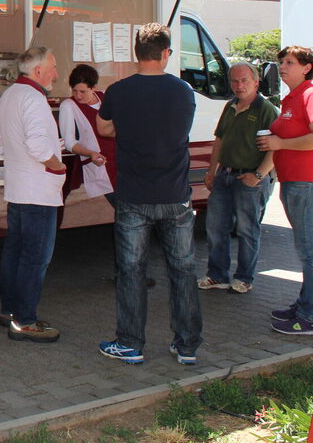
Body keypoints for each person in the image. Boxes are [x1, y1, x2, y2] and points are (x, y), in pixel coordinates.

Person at [96, 22, 202, 365]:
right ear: (166, 53)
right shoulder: (184, 91)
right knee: (183, 271)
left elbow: (104, 127)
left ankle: (129, 343)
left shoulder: (118, 90)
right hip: (175, 194)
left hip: (133, 195)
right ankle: (186, 346)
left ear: (136, 54)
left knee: (131, 271)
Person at [0, 46, 66, 343]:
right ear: (38, 72)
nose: (56, 74)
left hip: (18, 187)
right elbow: (37, 146)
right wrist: (57, 166)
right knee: (35, 258)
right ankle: (25, 320)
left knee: (15, 253)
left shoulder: (10, 95)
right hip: (38, 191)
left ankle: (10, 311)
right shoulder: (34, 99)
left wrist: (17, 159)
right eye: (54, 67)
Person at [197, 63, 277, 293]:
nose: (239, 85)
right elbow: (219, 141)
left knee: (247, 230)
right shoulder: (230, 105)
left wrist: (259, 175)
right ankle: (217, 275)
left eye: (244, 80)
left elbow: (276, 147)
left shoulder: (266, 110)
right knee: (215, 228)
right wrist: (211, 171)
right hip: (225, 176)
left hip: (250, 179)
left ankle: (244, 278)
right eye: (234, 81)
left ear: (255, 82)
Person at [259, 46, 313, 334]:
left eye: (290, 62)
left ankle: (308, 315)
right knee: (305, 250)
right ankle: (305, 304)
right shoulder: (292, 97)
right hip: (294, 183)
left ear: (306, 67)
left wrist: (280, 144)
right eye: (281, 62)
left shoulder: (308, 94)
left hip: (306, 183)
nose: (282, 66)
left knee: (309, 252)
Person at [58, 64, 116, 201]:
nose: (78, 96)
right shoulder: (68, 106)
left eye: (83, 91)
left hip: (120, 163)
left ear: (94, 87)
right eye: (74, 91)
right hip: (99, 164)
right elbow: (69, 142)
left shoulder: (106, 97)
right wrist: (90, 153)